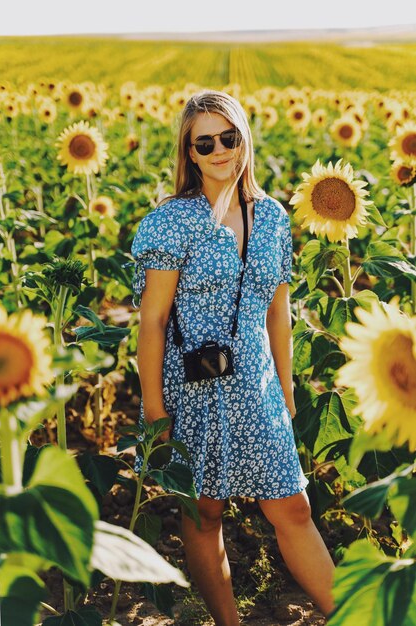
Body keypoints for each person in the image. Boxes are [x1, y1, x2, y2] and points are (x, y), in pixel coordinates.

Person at [130, 89, 335, 626]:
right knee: (204, 512)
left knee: (292, 507)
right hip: (193, 384)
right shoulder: (172, 221)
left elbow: (278, 314)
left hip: (259, 385)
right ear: (190, 152)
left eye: (229, 136)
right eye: (205, 141)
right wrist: (155, 411)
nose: (220, 149)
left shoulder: (271, 217)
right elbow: (152, 320)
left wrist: (287, 393)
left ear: (244, 139)